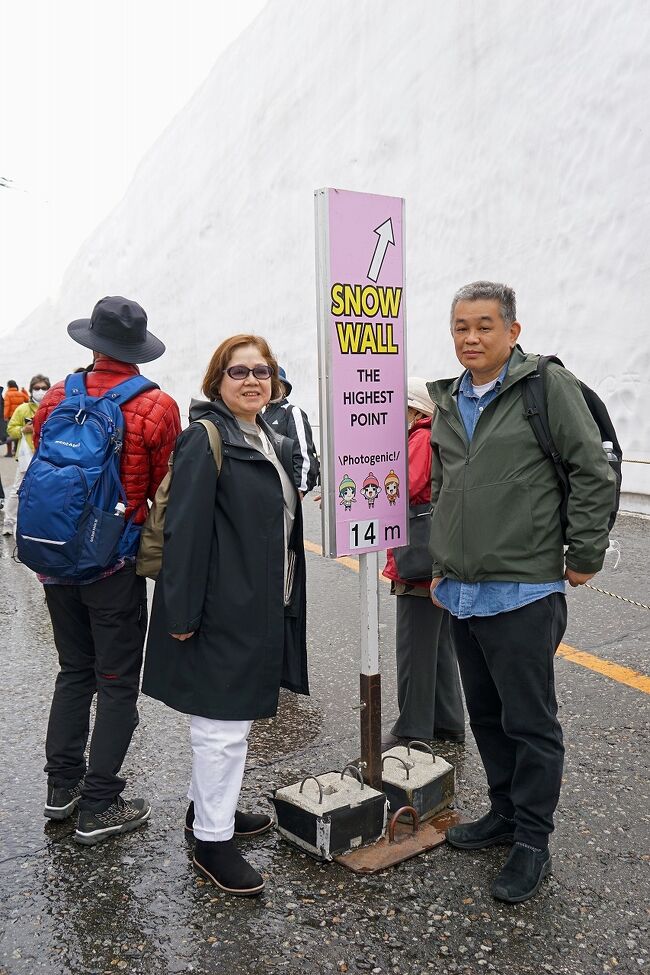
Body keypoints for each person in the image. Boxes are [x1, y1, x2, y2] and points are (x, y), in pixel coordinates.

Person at [427, 281, 616, 903]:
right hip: (462, 590)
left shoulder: (543, 387)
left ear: (512, 330)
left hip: (523, 590)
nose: (471, 338)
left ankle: (532, 837)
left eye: (484, 326)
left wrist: (584, 553)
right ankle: (505, 812)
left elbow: (593, 467)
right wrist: (440, 565)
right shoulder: (451, 399)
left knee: (531, 721)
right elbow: (451, 490)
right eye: (461, 327)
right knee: (486, 713)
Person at [142, 334, 309, 897]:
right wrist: (182, 613)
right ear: (217, 382)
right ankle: (212, 841)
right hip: (220, 607)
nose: (252, 381)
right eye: (238, 372)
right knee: (221, 729)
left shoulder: (268, 439)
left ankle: (208, 810)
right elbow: (185, 533)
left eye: (261, 372)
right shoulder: (205, 439)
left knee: (230, 722)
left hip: (259, 601)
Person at [32, 296, 181, 845]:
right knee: (116, 681)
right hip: (111, 562)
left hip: (54, 559)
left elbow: (38, 454)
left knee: (74, 671)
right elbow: (166, 483)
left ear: (93, 344)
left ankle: (60, 789)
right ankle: (98, 804)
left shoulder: (54, 397)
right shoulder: (158, 406)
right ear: (137, 349)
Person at [382, 377, 465, 748]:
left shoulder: (419, 438)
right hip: (441, 556)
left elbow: (407, 486)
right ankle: (447, 721)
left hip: (418, 560)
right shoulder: (441, 434)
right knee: (440, 645)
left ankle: (412, 728)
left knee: (415, 646)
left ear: (414, 410)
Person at [2, 374, 51, 537]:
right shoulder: (23, 409)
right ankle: (8, 522)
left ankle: (40, 525)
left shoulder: (54, 407)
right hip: (26, 455)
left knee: (45, 490)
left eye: (44, 388)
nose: (40, 391)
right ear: (31, 390)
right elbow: (11, 429)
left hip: (47, 455)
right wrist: (23, 429)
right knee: (18, 489)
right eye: (37, 388)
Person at [263, 366, 319, 496]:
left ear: (284, 389)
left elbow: (304, 452)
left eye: (275, 384)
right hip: (265, 491)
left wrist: (300, 489)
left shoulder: (292, 412)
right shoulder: (261, 415)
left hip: (286, 490)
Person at [3, 380, 29, 457]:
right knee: (19, 432)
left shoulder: (8, 394)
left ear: (9, 386)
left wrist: (5, 416)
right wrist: (24, 391)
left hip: (11, 416)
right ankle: (16, 450)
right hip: (21, 415)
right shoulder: (20, 394)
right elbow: (27, 400)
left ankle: (9, 452)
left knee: (10, 433)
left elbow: (7, 406)